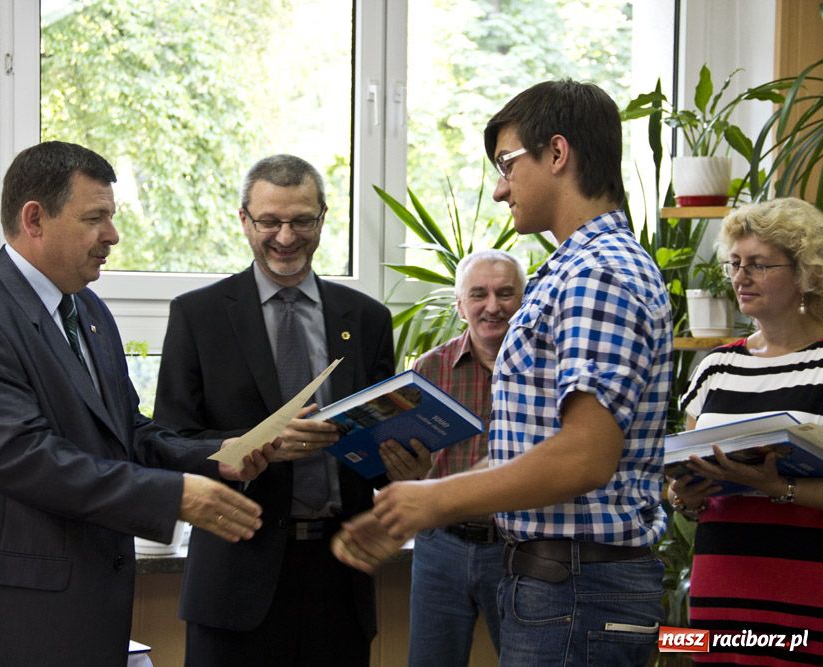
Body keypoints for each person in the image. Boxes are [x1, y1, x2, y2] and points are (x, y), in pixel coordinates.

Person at [334, 80, 672, 666]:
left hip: (577, 590)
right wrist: (424, 499)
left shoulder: (599, 273)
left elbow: (583, 457)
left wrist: (437, 501)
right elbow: (535, 446)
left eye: (508, 164)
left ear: (558, 154)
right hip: (557, 585)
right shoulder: (570, 271)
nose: (498, 189)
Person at [0, 141, 274, 667]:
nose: (113, 236)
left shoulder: (90, 312)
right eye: (95, 218)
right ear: (35, 219)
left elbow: (128, 433)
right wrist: (172, 497)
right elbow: (23, 456)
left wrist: (217, 455)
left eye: (112, 217)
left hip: (83, 616)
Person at [153, 153, 403, 666]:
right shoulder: (197, 315)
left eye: (301, 221)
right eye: (269, 221)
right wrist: (259, 443)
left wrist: (406, 464)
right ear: (244, 219)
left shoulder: (369, 319)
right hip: (234, 575)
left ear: (323, 218)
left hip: (340, 575)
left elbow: (379, 441)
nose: (286, 237)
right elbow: (168, 442)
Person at [669, 198, 823, 665]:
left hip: (806, 579)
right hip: (724, 575)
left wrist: (780, 487)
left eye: (758, 265)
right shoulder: (717, 366)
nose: (740, 277)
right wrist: (684, 496)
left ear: (804, 274)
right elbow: (679, 471)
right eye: (735, 264)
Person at [400, 249, 524, 666]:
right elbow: (408, 468)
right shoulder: (429, 370)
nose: (493, 306)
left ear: (524, 300)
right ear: (459, 305)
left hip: (517, 549)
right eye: (478, 294)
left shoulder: (544, 370)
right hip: (441, 547)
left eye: (505, 293)